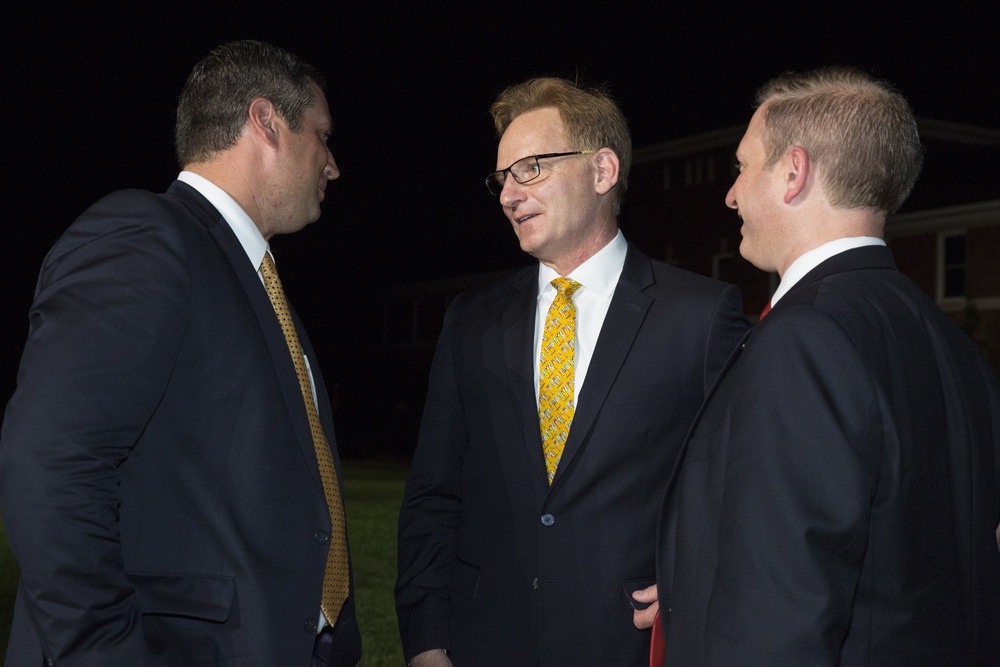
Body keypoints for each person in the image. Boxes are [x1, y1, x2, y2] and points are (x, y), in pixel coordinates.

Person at [0, 40, 362, 666]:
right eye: (323, 135)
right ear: (266, 123)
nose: (332, 164)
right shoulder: (146, 238)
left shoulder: (259, 287)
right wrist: (105, 652)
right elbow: (53, 464)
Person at [647, 66, 1000, 665]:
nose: (730, 193)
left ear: (793, 172)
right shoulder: (954, 346)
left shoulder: (802, 340)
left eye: (742, 166)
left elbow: (782, 616)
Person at [394, 76, 749, 667]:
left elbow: (745, 481)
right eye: (502, 178)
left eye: (530, 168)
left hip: (628, 644)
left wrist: (702, 575)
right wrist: (426, 639)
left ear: (602, 170)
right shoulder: (472, 321)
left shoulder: (700, 315)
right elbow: (435, 491)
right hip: (483, 643)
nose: (509, 194)